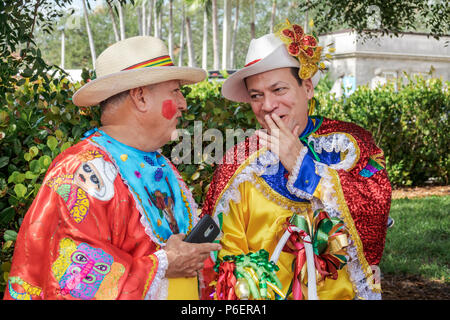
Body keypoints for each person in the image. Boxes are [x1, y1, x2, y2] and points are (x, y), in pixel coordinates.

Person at [4, 36, 220, 300]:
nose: (184, 103)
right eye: (175, 91)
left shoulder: (160, 165)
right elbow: (73, 277)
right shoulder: (80, 171)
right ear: (140, 97)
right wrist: (161, 265)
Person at [201, 21, 391, 300]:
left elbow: (375, 208)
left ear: (308, 88)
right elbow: (222, 256)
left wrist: (302, 165)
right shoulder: (236, 163)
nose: (267, 106)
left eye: (279, 90)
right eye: (256, 96)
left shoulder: (350, 145)